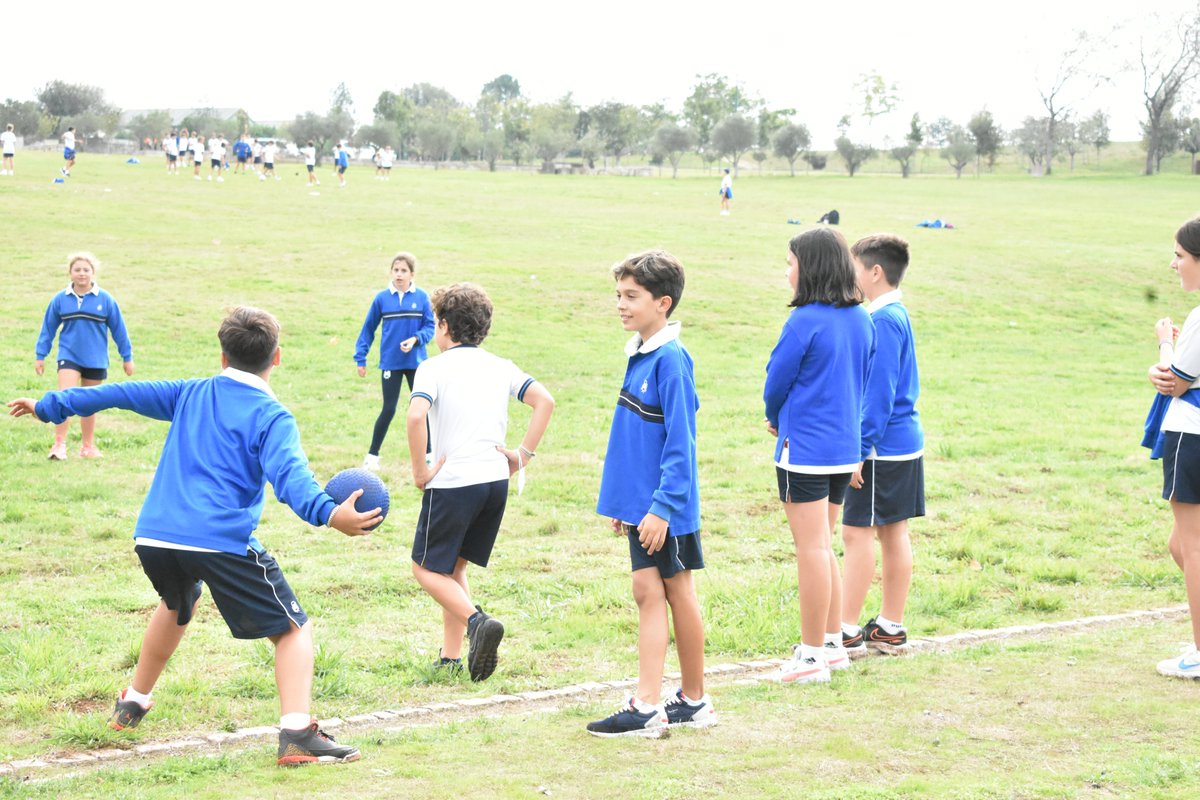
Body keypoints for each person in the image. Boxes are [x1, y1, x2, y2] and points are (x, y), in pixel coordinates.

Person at [8, 306, 380, 766]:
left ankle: (134, 701)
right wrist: (329, 514)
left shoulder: (189, 392)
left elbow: (116, 394)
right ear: (277, 358)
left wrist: (49, 406)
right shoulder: (272, 415)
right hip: (217, 539)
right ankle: (297, 733)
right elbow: (292, 480)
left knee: (177, 602)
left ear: (222, 356)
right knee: (292, 628)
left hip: (156, 535)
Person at [587, 250, 714, 738]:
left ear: (663, 303)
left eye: (631, 296)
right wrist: (628, 505)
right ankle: (685, 701)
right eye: (618, 295)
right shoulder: (641, 354)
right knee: (652, 592)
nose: (620, 304)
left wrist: (661, 507)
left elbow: (681, 444)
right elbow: (638, 442)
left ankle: (655, 704)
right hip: (643, 507)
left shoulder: (671, 360)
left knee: (671, 593)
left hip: (667, 510)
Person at [405, 283, 555, 682]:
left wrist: (420, 471)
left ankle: (477, 622)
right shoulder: (500, 365)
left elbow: (416, 416)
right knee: (454, 566)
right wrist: (522, 456)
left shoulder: (432, 367)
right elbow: (545, 401)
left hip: (454, 483)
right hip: (494, 483)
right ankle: (452, 657)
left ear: (442, 326)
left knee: (424, 568)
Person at [763, 227, 874, 684]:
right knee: (822, 545)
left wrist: (775, 416)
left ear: (808, 268)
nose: (786, 271)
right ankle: (830, 646)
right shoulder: (862, 318)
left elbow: (776, 381)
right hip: (842, 452)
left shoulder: (803, 320)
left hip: (804, 450)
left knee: (810, 548)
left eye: (790, 262)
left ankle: (810, 657)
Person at [840, 234, 925, 657]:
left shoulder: (884, 319)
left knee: (857, 535)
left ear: (874, 273)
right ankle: (889, 627)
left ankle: (847, 630)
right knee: (893, 532)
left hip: (882, 448)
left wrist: (859, 449)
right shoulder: (892, 313)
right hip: (902, 444)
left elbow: (879, 393)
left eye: (854, 268)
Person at [1148, 216, 1200, 680]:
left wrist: (1165, 347)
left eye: (1181, 256)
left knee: (1193, 544)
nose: (1174, 264)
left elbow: (1174, 384)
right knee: (1179, 543)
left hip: (1193, 437)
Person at [34, 252, 134, 460]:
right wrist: (40, 355)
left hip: (96, 360)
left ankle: (87, 447)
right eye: (77, 270)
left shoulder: (105, 300)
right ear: (70, 273)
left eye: (86, 270)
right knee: (64, 398)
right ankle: (59, 445)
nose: (81, 274)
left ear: (93, 273)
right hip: (68, 356)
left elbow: (119, 330)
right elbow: (48, 329)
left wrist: (127, 357)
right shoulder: (60, 300)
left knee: (89, 404)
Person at [354, 252, 435, 471]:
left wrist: (416, 339)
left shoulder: (422, 297)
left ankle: (429, 455)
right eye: (396, 270)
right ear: (391, 272)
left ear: (412, 274)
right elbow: (368, 329)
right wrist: (360, 357)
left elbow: (430, 327)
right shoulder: (382, 298)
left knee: (421, 410)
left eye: (404, 271)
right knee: (388, 409)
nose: (399, 275)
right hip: (391, 363)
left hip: (417, 364)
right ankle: (372, 456)